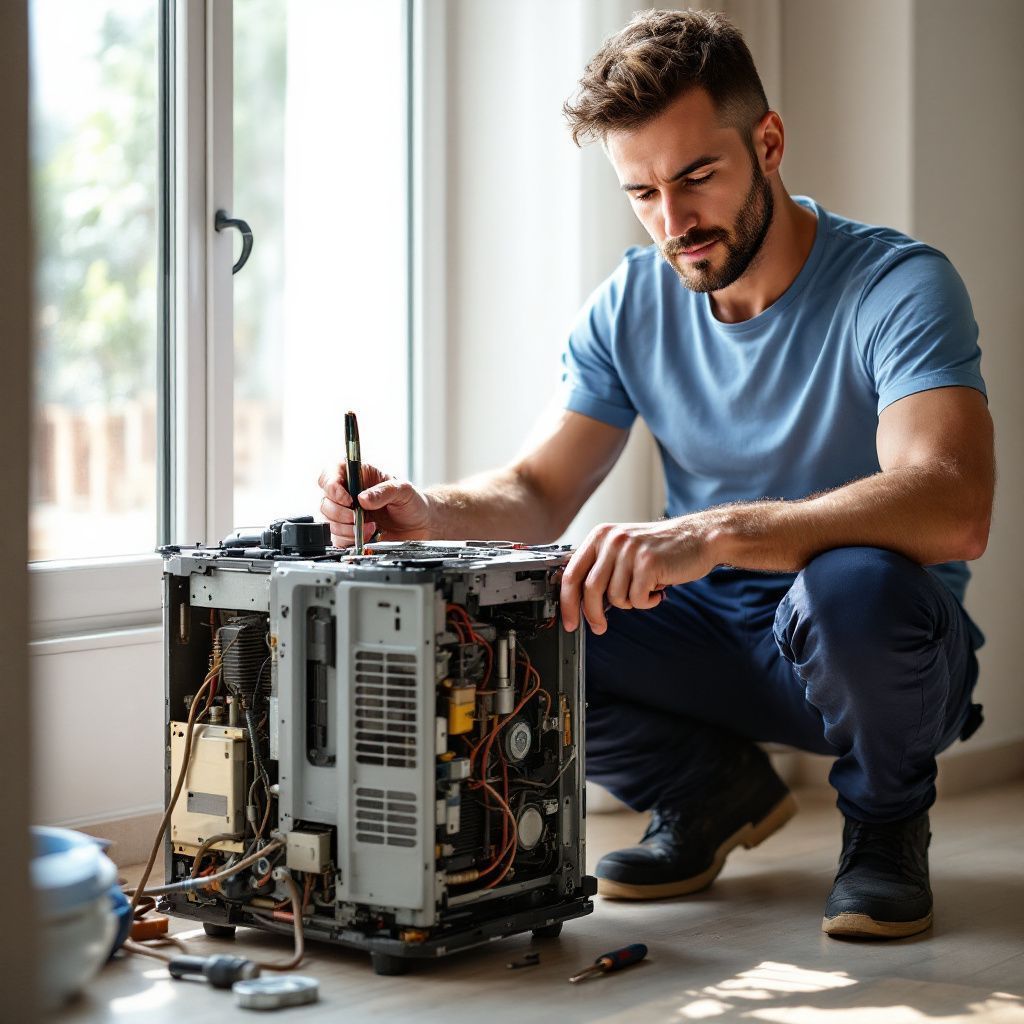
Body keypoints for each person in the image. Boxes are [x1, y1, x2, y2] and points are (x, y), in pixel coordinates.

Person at [318, 9, 993, 940]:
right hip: (710, 643)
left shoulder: (899, 286)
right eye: (641, 193)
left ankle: (884, 826)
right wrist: (428, 510)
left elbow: (954, 504)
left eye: (696, 178)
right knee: (504, 606)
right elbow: (538, 492)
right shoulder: (632, 301)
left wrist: (712, 533)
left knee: (850, 585)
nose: (674, 224)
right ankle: (704, 791)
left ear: (769, 141)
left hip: (878, 651)